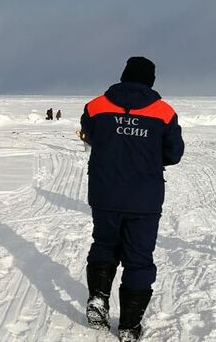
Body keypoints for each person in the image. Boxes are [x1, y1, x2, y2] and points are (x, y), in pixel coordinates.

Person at [79, 57, 184, 341]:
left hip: (104, 193)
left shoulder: (96, 105)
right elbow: (174, 154)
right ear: (151, 80)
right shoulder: (164, 112)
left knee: (104, 244)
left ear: (124, 76)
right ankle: (128, 325)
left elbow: (88, 134)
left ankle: (99, 297)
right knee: (138, 259)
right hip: (144, 199)